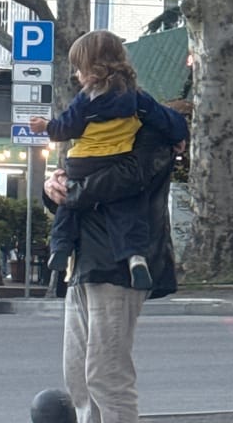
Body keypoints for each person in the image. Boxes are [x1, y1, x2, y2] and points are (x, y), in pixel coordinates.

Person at [30, 29, 187, 290]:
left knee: (71, 211)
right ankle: (135, 258)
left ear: (92, 69)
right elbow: (170, 121)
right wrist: (52, 188)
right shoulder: (138, 102)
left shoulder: (86, 102)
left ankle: (60, 246)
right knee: (127, 214)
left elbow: (125, 176)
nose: (76, 75)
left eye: (79, 69)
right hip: (91, 265)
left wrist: (69, 190)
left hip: (107, 273)